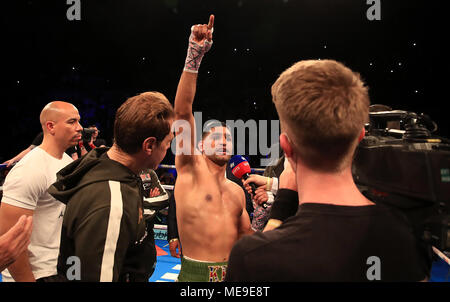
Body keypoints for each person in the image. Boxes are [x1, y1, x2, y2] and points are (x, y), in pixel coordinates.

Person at [226, 59, 430, 281]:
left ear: (287, 147)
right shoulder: (405, 236)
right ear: (361, 138)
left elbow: (263, 255)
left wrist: (281, 208)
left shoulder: (253, 256)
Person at [48, 92, 175, 282]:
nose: (167, 149)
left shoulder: (102, 168)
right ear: (149, 145)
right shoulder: (112, 202)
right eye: (168, 143)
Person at [173, 15, 253, 282]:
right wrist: (194, 55)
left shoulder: (237, 191)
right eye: (216, 137)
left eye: (228, 138)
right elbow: (183, 112)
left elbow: (248, 240)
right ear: (198, 145)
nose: (224, 141)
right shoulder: (189, 173)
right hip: (194, 277)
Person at [0, 101, 81, 281]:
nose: (80, 128)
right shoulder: (29, 169)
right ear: (51, 126)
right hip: (35, 274)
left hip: (61, 267)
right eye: (72, 122)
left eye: (79, 121)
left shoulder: (69, 164)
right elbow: (10, 242)